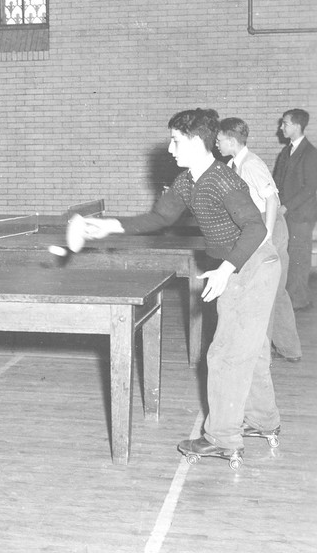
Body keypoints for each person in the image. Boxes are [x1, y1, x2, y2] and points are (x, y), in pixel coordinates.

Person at [78, 109, 281, 463]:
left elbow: (256, 228)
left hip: (252, 267)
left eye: (176, 140)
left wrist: (225, 270)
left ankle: (223, 438)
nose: (170, 149)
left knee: (224, 354)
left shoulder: (223, 181)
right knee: (251, 351)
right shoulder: (189, 181)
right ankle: (263, 420)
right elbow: (158, 218)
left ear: (199, 142)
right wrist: (109, 226)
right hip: (237, 266)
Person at [216, 118, 302, 363]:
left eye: (219, 140)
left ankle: (268, 350)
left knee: (268, 291)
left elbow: (272, 200)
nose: (217, 144)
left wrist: (267, 234)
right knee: (273, 291)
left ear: (232, 141)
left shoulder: (251, 164)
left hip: (270, 225)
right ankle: (288, 348)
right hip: (259, 225)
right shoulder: (233, 163)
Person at [273, 108, 317, 312]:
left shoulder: (310, 153)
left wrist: (286, 206)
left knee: (299, 258)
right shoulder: (286, 151)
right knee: (289, 257)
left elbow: (310, 188)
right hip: (286, 214)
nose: (281, 127)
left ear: (297, 126)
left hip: (300, 216)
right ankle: (290, 299)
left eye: (285, 123)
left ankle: (300, 301)